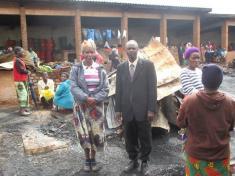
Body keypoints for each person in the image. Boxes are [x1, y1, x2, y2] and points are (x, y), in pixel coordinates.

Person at [177, 64, 235, 176]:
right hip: (220, 155)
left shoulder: (189, 101)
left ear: (203, 80)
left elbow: (181, 123)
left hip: (196, 154)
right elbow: (231, 126)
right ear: (220, 81)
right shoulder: (230, 102)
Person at [115, 40, 157, 175]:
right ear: (125, 51)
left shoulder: (148, 66)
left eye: (133, 48)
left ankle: (144, 162)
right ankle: (133, 160)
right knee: (129, 137)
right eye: (129, 49)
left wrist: (151, 109)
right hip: (127, 109)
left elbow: (152, 89)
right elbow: (118, 89)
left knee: (145, 136)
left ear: (138, 49)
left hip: (143, 109)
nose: (131, 51)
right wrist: (117, 109)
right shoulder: (121, 68)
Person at [70, 40, 108, 172]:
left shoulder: (101, 69)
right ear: (82, 53)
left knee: (95, 133)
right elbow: (73, 87)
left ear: (95, 53)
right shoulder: (76, 69)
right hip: (81, 106)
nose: (89, 54)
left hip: (96, 108)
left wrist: (94, 99)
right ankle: (87, 159)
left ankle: (94, 159)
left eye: (91, 52)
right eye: (86, 52)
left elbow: (105, 88)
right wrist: (86, 98)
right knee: (84, 134)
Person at [13, 46, 31, 116]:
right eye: (22, 51)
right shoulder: (17, 61)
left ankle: (24, 108)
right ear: (17, 52)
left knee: (25, 94)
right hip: (19, 81)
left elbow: (23, 68)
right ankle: (22, 111)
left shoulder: (19, 59)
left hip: (22, 80)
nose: (23, 52)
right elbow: (20, 70)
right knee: (23, 94)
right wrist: (27, 72)